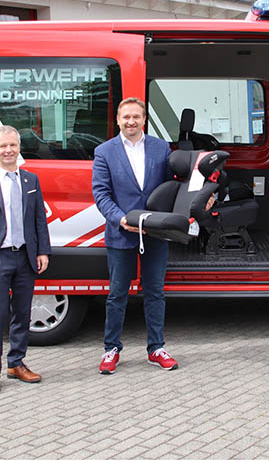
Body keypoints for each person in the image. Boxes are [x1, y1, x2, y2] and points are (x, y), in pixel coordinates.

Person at [91, 97, 178, 374]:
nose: (131, 122)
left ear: (144, 120)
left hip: (155, 233)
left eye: (136, 117)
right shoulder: (104, 152)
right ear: (118, 120)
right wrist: (120, 219)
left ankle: (156, 348)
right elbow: (101, 194)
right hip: (121, 234)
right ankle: (111, 349)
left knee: (155, 292)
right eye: (126, 117)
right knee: (117, 294)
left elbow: (172, 187)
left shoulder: (161, 148)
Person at [0, 125, 51, 394]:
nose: (8, 150)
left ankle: (16, 363)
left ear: (19, 148)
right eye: (3, 146)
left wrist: (42, 251)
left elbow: (40, 218)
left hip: (26, 258)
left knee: (23, 313)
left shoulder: (31, 181)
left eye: (13, 146)